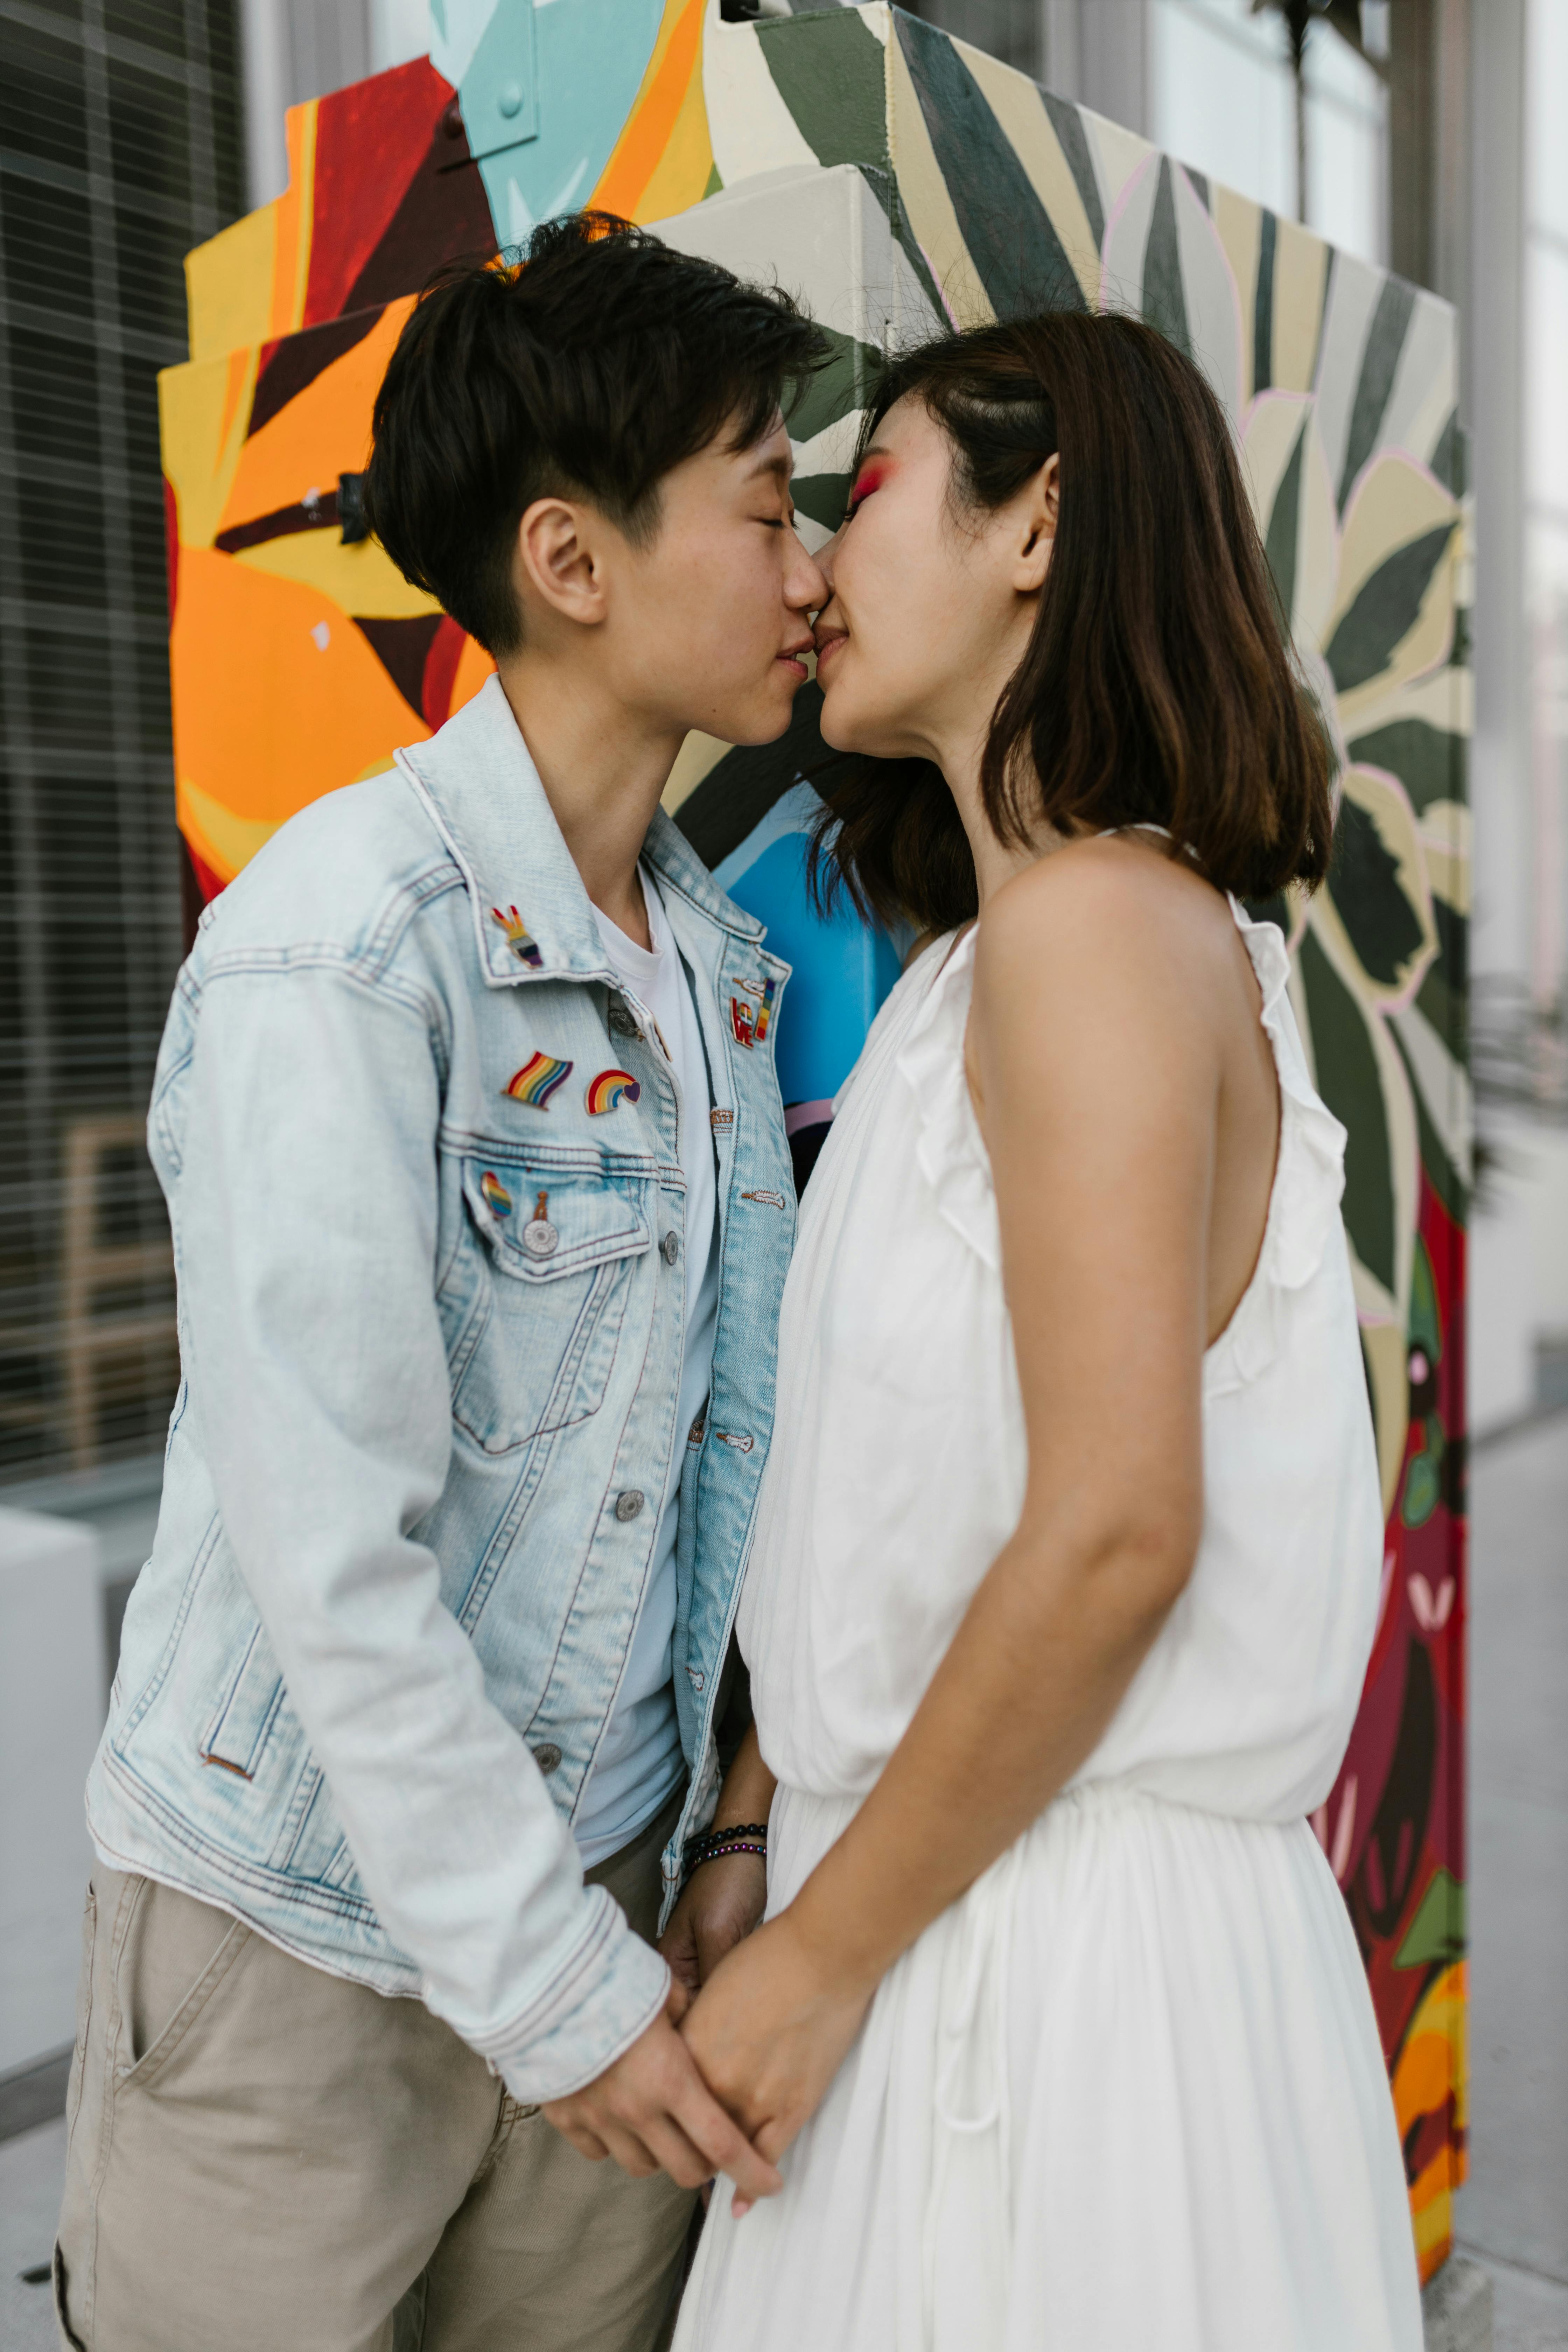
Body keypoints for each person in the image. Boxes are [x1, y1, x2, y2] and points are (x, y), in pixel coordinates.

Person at [55, 214, 822, 2352]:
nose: (812, 569)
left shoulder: (720, 979)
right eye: (767, 509)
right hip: (299, 1939)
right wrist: (564, 2000)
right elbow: (338, 1566)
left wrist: (694, 1873)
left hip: (611, 1894)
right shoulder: (343, 950)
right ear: (572, 564)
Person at [650, 315, 1426, 2350]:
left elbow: (1111, 1532)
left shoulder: (1088, 931)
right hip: (979, 1923)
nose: (816, 564)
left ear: (1040, 526)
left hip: (1038, 1982)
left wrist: (815, 1954)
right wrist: (759, 1814)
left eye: (871, 487)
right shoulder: (1006, 960)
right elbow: (901, 1509)